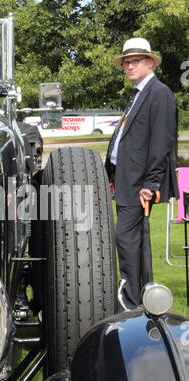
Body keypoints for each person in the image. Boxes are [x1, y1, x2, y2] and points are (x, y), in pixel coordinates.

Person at [105, 37, 179, 310]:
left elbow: (162, 142)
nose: (129, 67)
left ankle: (131, 298)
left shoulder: (159, 93)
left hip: (139, 183)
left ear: (150, 62)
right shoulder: (137, 93)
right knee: (135, 239)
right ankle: (141, 296)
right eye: (126, 62)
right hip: (126, 180)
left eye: (134, 61)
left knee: (125, 237)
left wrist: (150, 183)